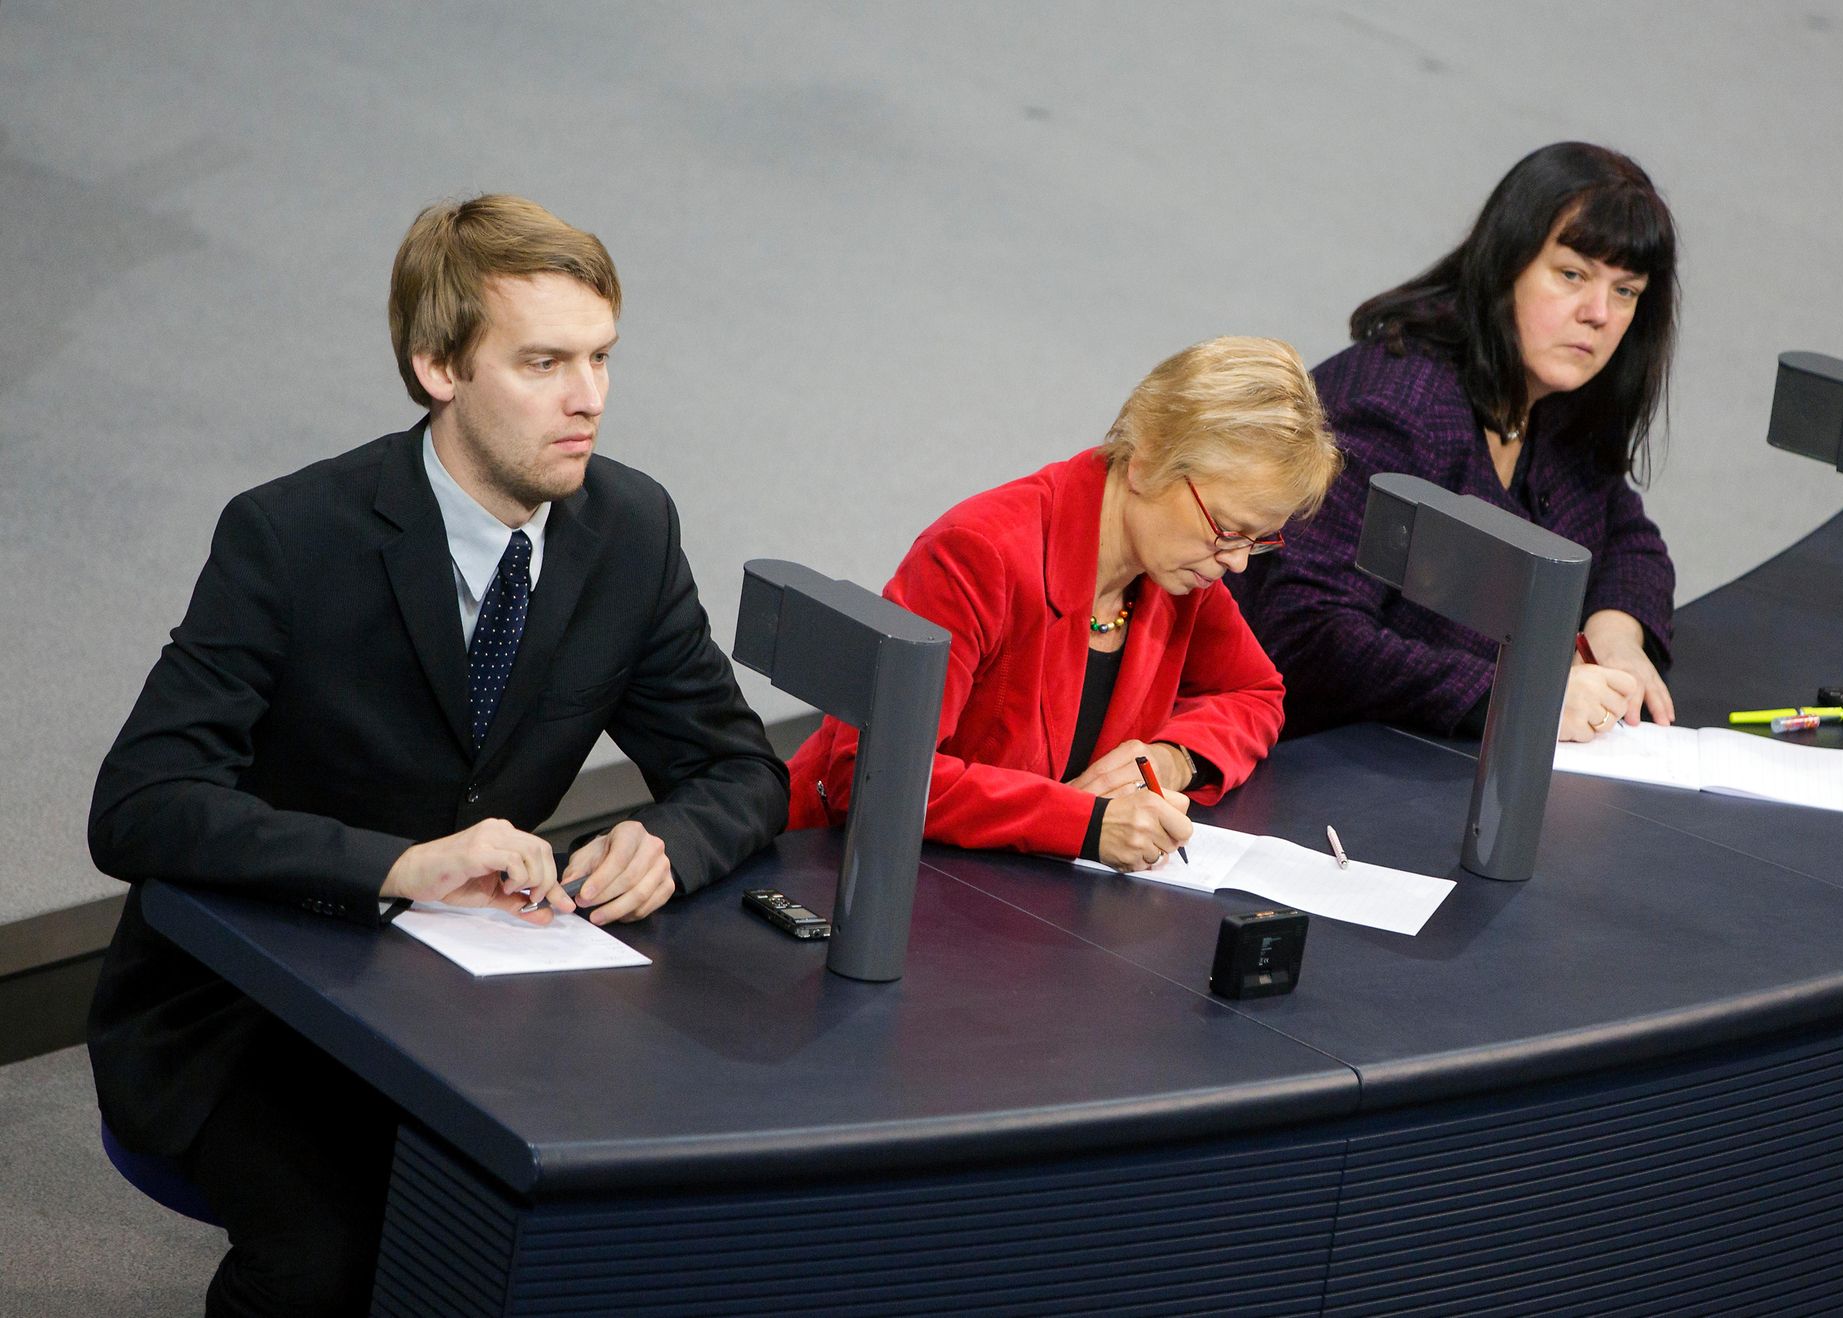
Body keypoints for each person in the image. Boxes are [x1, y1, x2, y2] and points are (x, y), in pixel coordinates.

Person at [84, 194, 789, 1316]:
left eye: (602, 357)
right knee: (340, 1251)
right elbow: (139, 806)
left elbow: (741, 770)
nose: (589, 399)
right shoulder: (290, 536)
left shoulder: (629, 530)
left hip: (478, 1000)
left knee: (640, 1215)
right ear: (437, 366)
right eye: (545, 361)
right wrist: (392, 864)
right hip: (253, 1004)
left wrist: (667, 838)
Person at [788, 337, 1340, 872]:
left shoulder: (1180, 572)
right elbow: (874, 773)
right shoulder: (978, 555)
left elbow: (1255, 693)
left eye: (1257, 540)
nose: (1238, 562)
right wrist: (1087, 824)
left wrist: (1174, 759)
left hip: (1005, 894)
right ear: (1146, 462)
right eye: (1228, 529)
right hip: (840, 875)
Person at [1230, 142, 1681, 743]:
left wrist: (1616, 635)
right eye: (1572, 275)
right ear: (1506, 265)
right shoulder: (1399, 408)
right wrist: (1518, 695)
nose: (1599, 313)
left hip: (1417, 757)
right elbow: (1309, 634)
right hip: (1305, 765)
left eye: (1626, 291)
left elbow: (1627, 538)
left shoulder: (1552, 400)